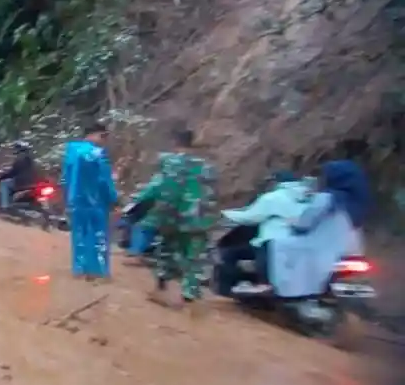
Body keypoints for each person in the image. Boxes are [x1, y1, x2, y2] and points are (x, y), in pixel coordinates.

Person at [130, 126, 217, 305]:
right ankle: (189, 294)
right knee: (194, 255)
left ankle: (162, 287)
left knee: (167, 250)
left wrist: (136, 204)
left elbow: (156, 187)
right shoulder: (207, 167)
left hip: (173, 216)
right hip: (199, 218)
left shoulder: (169, 162)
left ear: (175, 143)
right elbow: (211, 194)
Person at [268, 160, 370, 300]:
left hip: (320, 248)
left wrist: (294, 224)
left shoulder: (326, 198)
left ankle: (280, 289)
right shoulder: (358, 203)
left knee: (276, 246)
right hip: (353, 250)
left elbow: (305, 223)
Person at [214, 170, 312, 294]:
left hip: (272, 242)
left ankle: (227, 291)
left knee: (229, 254)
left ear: (276, 182)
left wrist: (224, 214)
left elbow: (251, 217)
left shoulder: (273, 197)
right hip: (300, 243)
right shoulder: (309, 197)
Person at [61, 123, 118, 281]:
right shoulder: (99, 154)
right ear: (92, 134)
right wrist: (114, 198)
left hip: (76, 201)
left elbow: (65, 178)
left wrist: (66, 199)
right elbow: (104, 181)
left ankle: (79, 269)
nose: (104, 140)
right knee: (99, 235)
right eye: (103, 136)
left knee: (79, 234)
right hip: (97, 202)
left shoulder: (71, 151)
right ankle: (98, 271)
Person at [0, 140, 37, 210]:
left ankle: (5, 206)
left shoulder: (21, 158)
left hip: (21, 182)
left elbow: (13, 172)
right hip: (32, 183)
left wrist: (3, 176)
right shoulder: (31, 159)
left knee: (4, 184)